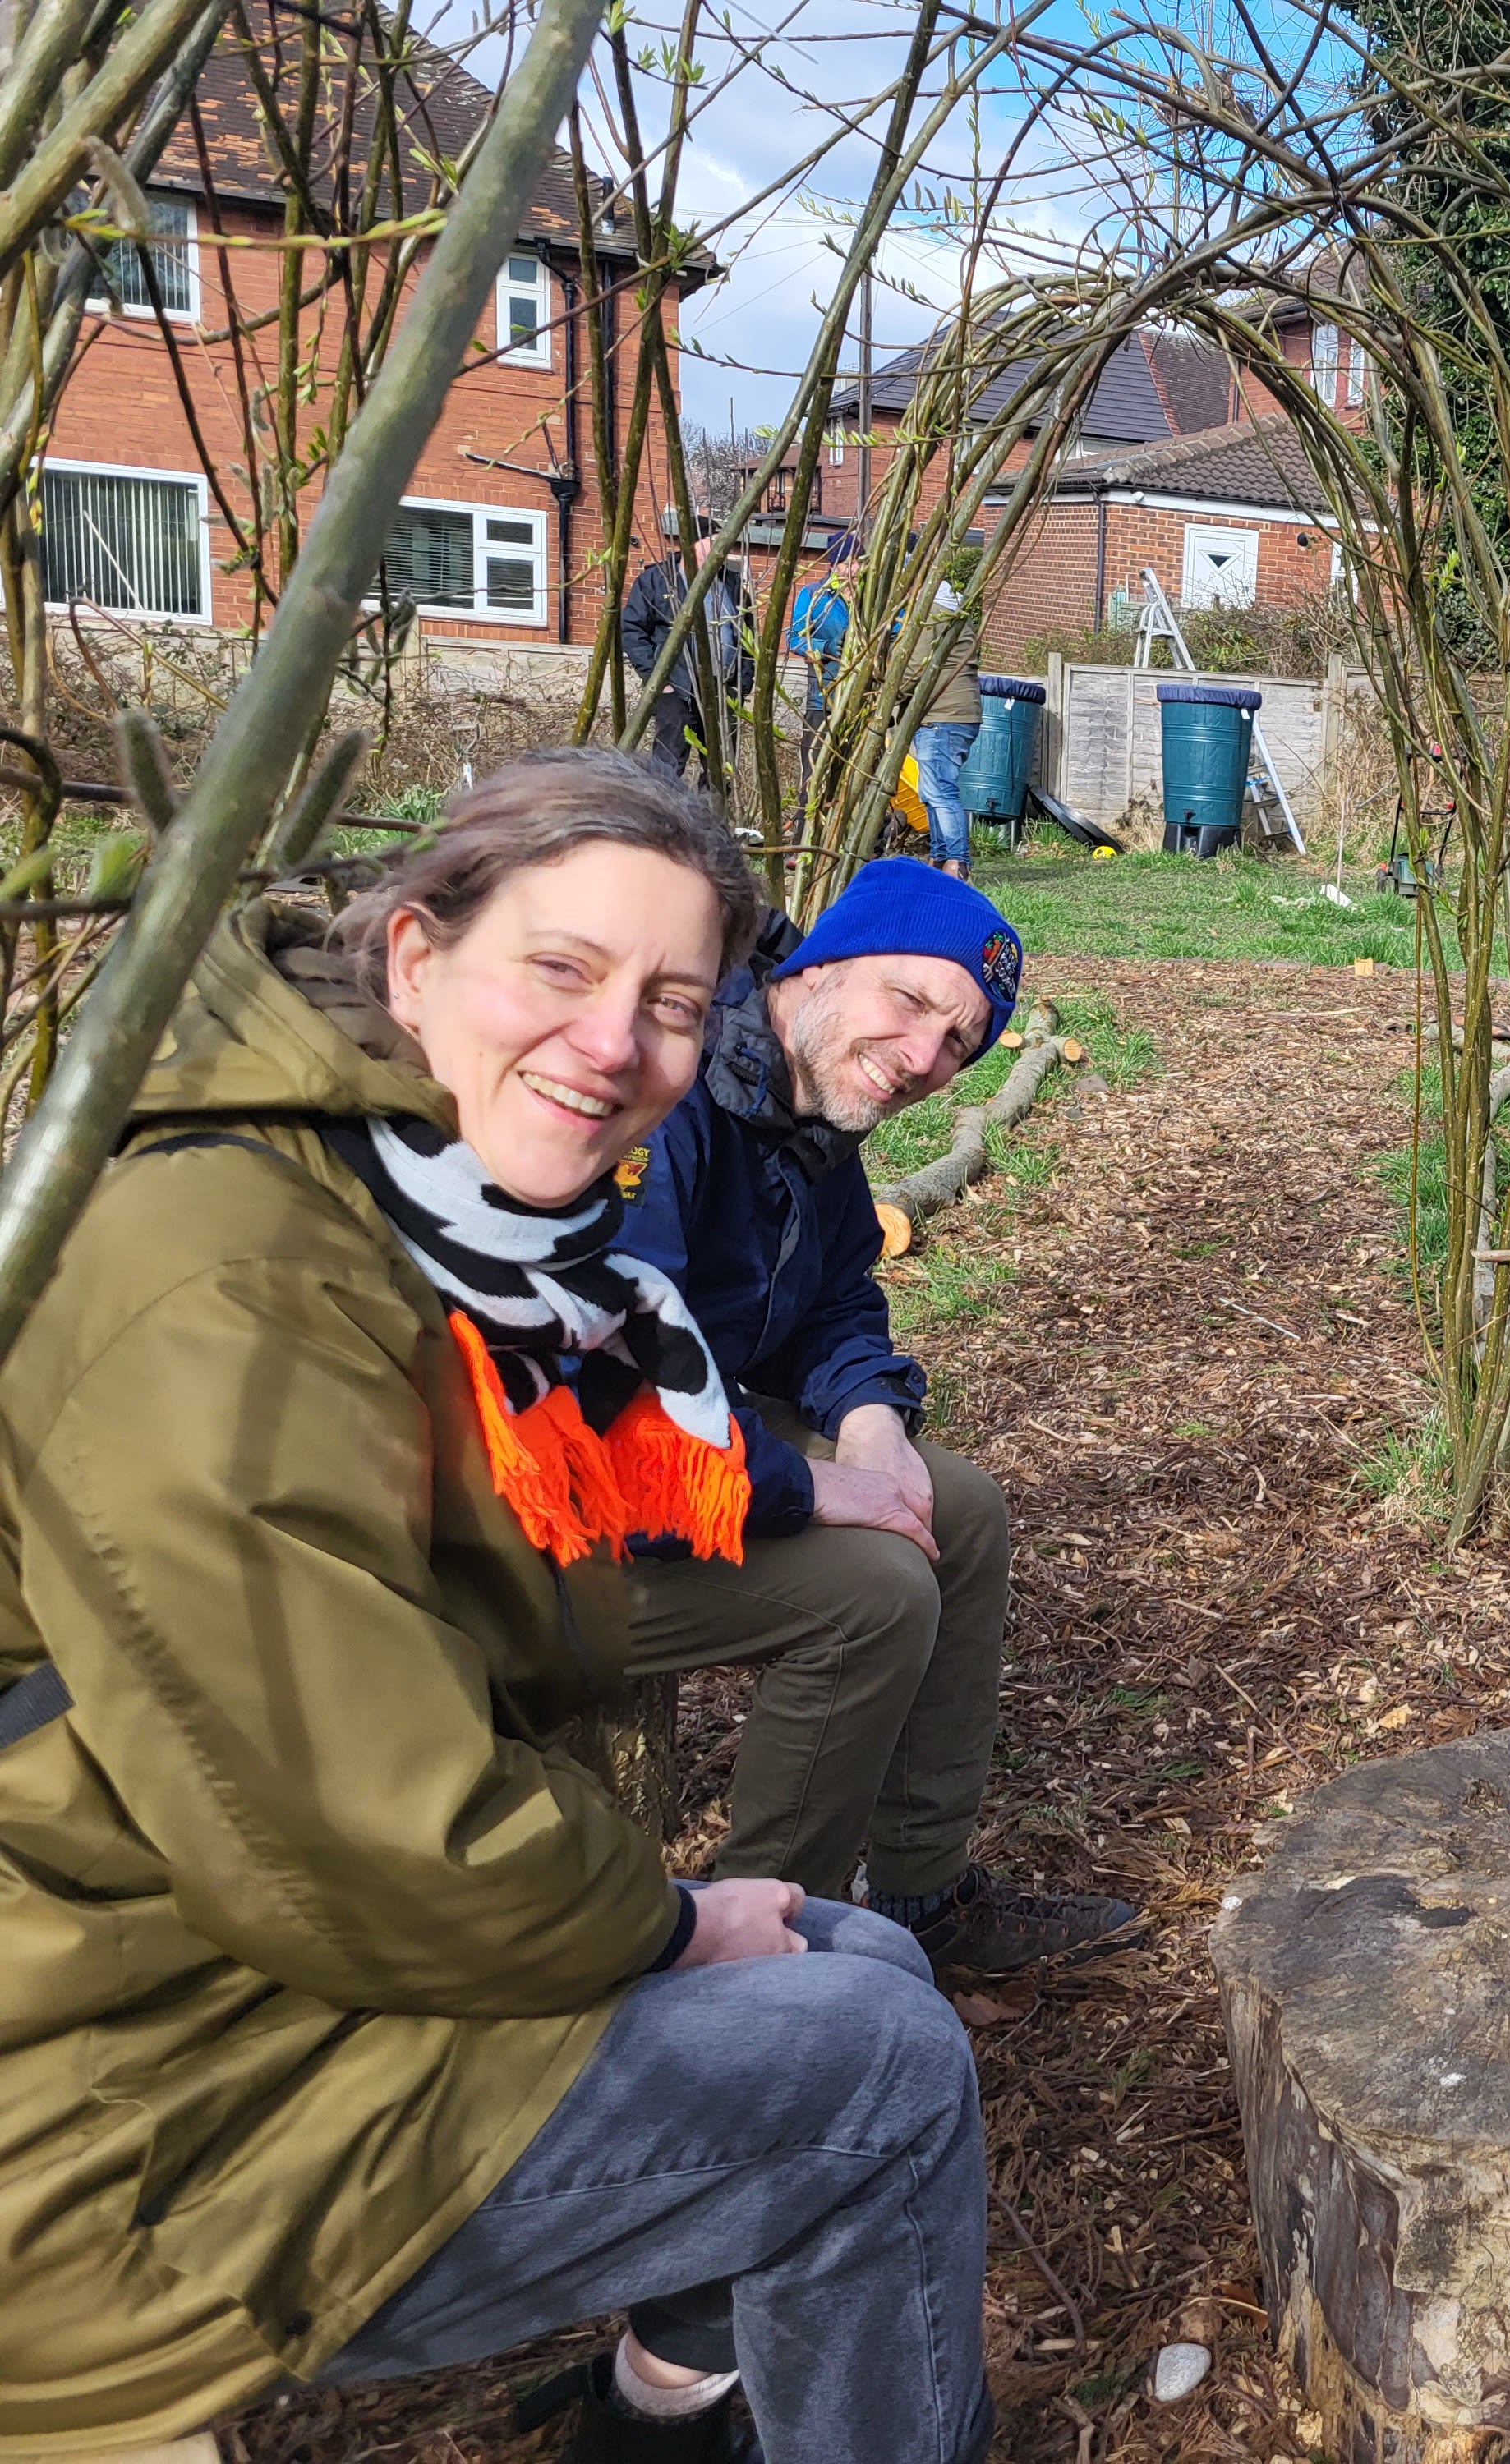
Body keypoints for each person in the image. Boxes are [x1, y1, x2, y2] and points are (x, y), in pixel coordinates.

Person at [0, 752, 992, 2464]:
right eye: (564, 970)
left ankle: (670, 2394)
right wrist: (675, 1922)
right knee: (874, 2039)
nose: (615, 1045)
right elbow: (367, 1806)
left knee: (875, 1916)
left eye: (666, 1001)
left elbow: (810, 1318)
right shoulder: (231, 1268)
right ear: (410, 956)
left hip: (235, 1930)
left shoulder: (426, 1185)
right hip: (122, 2093)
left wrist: (875, 1416)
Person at [616, 855, 1139, 1975]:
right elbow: (621, 1405)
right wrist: (813, 1490)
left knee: (963, 1512)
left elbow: (843, 1295)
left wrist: (868, 1423)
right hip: (556, 1515)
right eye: (912, 1003)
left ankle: (920, 1895)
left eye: (959, 1046)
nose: (923, 1060)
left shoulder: (802, 1108)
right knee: (875, 1593)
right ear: (826, 964)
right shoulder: (667, 1091)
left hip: (698, 1451)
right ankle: (758, 1953)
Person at [621, 513, 757, 783]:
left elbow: (747, 639)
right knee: (667, 767)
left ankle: (711, 819)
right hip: (676, 690)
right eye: (714, 541)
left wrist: (741, 683)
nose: (723, 547)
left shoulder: (731, 587)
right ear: (691, 544)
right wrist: (658, 680)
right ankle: (661, 817)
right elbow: (632, 630)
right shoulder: (657, 581)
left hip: (721, 691)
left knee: (721, 770)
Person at [909, 578, 985, 878]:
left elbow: (914, 668)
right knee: (930, 791)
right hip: (957, 713)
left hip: (943, 715)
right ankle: (940, 858)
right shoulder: (953, 612)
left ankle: (957, 862)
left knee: (940, 792)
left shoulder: (932, 615)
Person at [785, 534, 857, 740]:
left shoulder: (870, 597)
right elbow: (793, 638)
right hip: (823, 700)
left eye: (858, 562)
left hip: (861, 701)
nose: (855, 569)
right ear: (833, 566)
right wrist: (826, 648)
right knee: (816, 765)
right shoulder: (814, 594)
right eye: (847, 563)